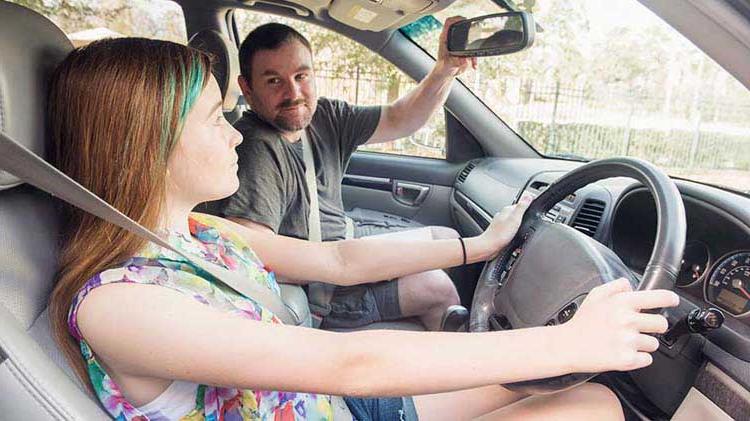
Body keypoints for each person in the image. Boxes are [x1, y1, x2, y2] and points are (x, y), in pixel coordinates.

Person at [48, 37, 677, 421]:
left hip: (335, 409)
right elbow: (348, 361)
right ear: (148, 145)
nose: (239, 132)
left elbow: (339, 263)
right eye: (217, 119)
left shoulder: (198, 231)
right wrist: (567, 342)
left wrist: (478, 245)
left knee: (576, 390)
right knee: (588, 403)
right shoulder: (119, 304)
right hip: (343, 394)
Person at [213, 18, 479, 331]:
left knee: (445, 240)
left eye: (301, 76)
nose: (293, 92)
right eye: (274, 81)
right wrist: (357, 265)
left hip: (347, 244)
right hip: (324, 288)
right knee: (438, 288)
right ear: (248, 87)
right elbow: (253, 256)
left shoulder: (323, 117)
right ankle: (456, 375)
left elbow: (399, 119)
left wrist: (445, 69)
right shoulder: (256, 150)